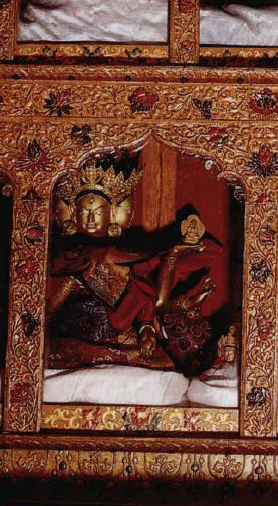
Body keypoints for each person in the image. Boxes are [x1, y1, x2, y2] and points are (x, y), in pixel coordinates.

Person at [46, 159, 222, 374]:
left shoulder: (128, 253)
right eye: (84, 212)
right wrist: (72, 280)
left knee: (157, 361)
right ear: (72, 212)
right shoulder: (61, 255)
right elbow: (46, 307)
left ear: (114, 213)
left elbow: (153, 299)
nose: (90, 219)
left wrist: (146, 327)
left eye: (98, 212)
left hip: (118, 331)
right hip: (73, 332)